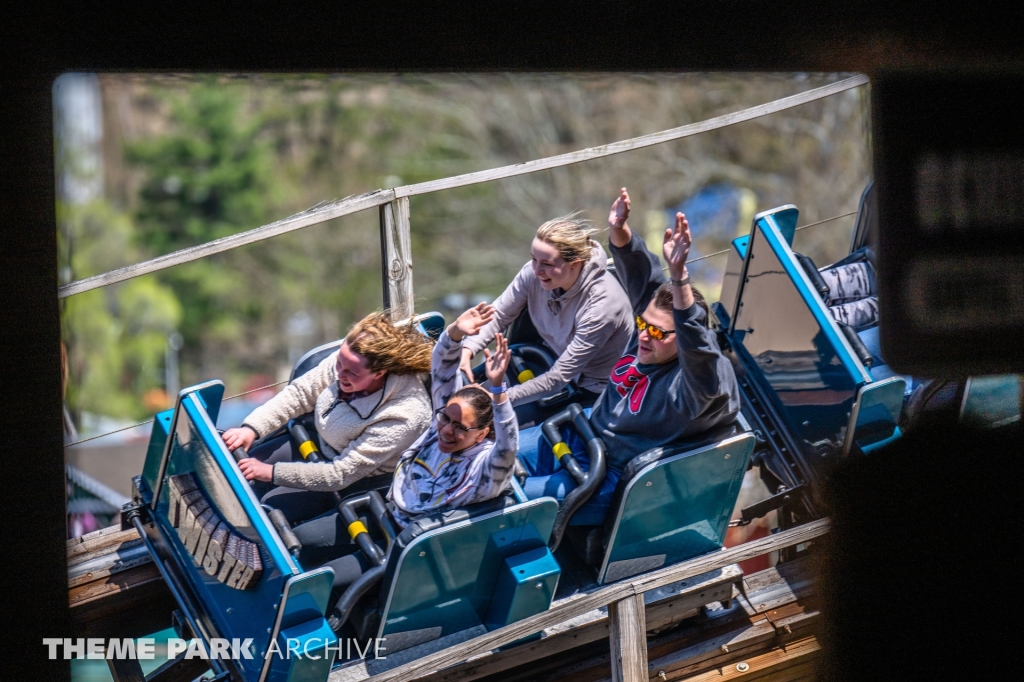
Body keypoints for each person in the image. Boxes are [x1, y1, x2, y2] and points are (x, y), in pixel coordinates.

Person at [517, 188, 742, 525]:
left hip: (606, 478)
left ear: (683, 339)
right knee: (492, 459)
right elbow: (643, 278)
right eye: (642, 325)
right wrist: (619, 232)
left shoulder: (700, 383)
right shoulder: (652, 328)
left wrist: (680, 277)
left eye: (658, 333)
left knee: (509, 503)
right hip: (581, 433)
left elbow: (698, 350)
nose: (644, 337)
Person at [290, 302, 518, 590]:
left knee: (318, 582)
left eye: (461, 427)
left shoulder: (486, 470)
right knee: (300, 541)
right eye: (445, 418)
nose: (447, 430)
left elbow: (508, 445)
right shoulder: (440, 427)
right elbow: (443, 369)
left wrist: (498, 390)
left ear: (482, 433)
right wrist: (455, 334)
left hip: (410, 549)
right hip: (385, 513)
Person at [220, 311, 434, 524]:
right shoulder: (346, 362)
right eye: (339, 363)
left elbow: (341, 474)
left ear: (379, 373)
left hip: (356, 479)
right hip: (320, 444)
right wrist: (251, 428)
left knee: (270, 506)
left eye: (352, 373)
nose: (340, 374)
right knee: (242, 468)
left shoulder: (404, 414)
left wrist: (271, 472)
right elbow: (299, 394)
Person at [458, 213, 633, 419]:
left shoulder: (602, 306)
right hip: (548, 360)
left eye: (547, 264)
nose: (537, 270)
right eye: (534, 259)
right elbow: (498, 315)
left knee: (491, 423)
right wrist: (467, 350)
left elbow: (558, 377)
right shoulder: (533, 274)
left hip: (596, 391)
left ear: (575, 264)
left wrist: (498, 397)